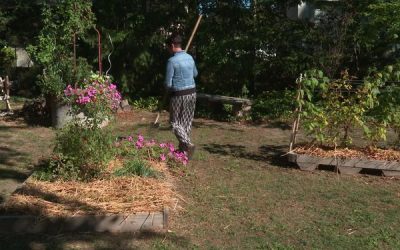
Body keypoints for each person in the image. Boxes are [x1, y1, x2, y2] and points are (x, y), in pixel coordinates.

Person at [164, 33, 198, 159]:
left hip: (178, 95)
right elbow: (195, 74)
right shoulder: (190, 57)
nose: (168, 50)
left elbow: (168, 83)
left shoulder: (172, 61)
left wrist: (167, 89)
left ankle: (188, 144)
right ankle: (183, 151)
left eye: (168, 47)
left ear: (172, 45)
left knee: (174, 123)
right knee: (186, 122)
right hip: (192, 93)